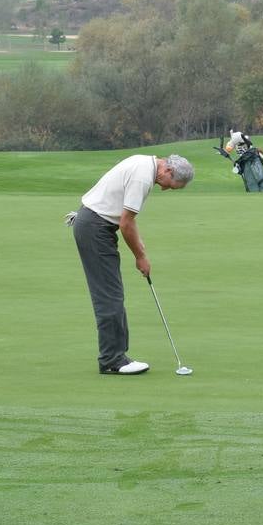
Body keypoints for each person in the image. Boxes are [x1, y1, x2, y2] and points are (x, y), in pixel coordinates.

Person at [70, 154, 194, 375]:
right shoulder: (143, 179)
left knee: (112, 293)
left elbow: (128, 220)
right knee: (109, 295)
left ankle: (116, 356)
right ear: (168, 172)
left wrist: (141, 247)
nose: (166, 189)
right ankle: (112, 360)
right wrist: (140, 257)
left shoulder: (144, 162)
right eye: (171, 186)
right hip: (95, 228)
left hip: (94, 224)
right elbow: (126, 223)